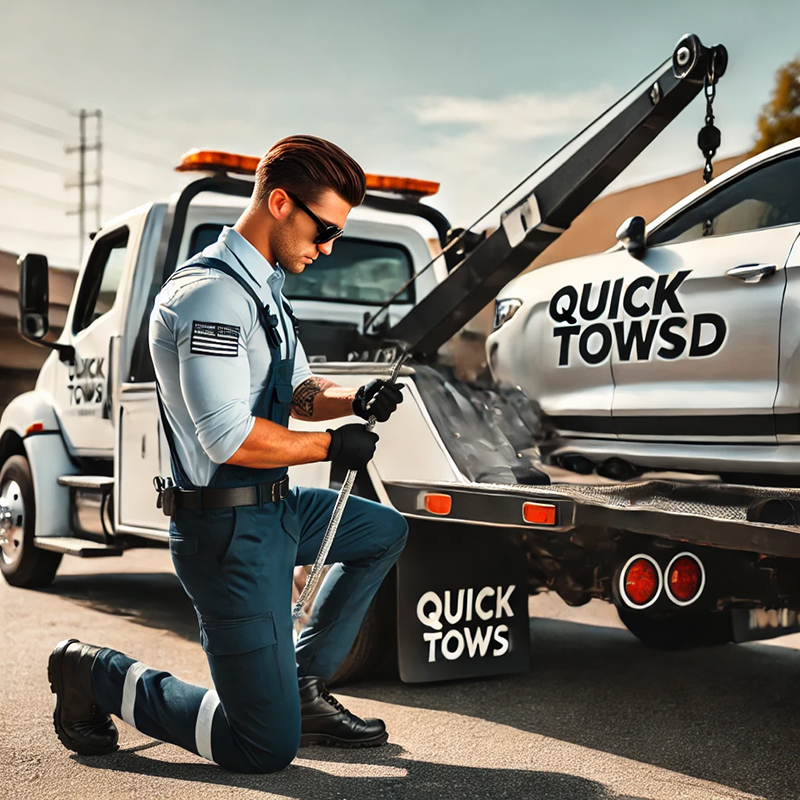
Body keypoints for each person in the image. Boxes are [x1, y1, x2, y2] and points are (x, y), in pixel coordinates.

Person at [48, 135, 408, 773]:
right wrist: (333, 444)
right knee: (262, 746)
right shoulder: (209, 296)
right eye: (325, 229)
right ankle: (98, 674)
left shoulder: (265, 290)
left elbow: (298, 393)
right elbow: (227, 436)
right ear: (279, 203)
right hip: (227, 531)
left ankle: (299, 684)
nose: (328, 248)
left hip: (277, 508)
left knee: (382, 530)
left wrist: (357, 398)